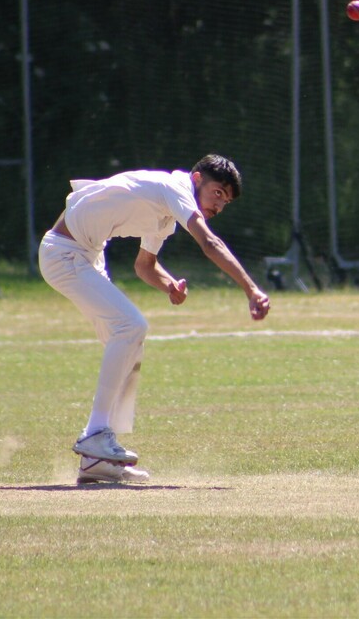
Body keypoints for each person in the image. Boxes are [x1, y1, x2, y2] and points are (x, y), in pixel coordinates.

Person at [39, 154, 270, 484]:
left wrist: (169, 285)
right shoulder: (174, 187)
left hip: (88, 256)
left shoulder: (165, 218)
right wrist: (251, 290)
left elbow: (144, 266)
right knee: (131, 326)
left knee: (130, 343)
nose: (220, 205)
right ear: (196, 179)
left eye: (227, 201)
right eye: (218, 192)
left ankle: (98, 459)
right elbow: (209, 242)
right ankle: (94, 438)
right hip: (63, 252)